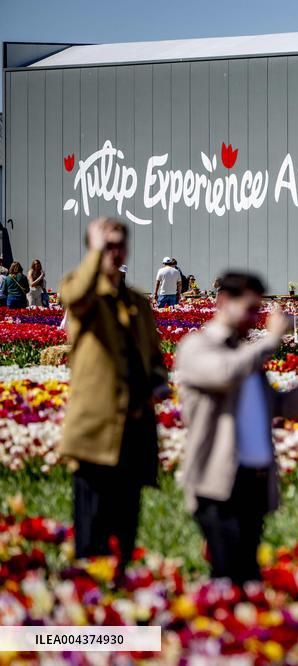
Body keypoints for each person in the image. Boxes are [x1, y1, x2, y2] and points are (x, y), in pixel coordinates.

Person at [175, 273, 298, 584]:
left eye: (258, 310)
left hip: (254, 481)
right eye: (248, 308)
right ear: (222, 302)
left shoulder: (246, 357)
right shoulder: (198, 346)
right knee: (228, 574)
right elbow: (224, 374)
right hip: (218, 482)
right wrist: (271, 341)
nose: (255, 317)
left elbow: (287, 408)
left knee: (248, 575)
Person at [59, 218, 167, 578]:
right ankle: (89, 614)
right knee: (92, 538)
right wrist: (94, 250)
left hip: (133, 432)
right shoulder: (84, 296)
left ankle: (122, 604)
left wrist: (157, 382)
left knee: (125, 535)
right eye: (107, 246)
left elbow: (154, 359)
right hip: (95, 433)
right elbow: (75, 297)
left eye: (119, 244)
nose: (114, 251)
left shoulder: (137, 302)